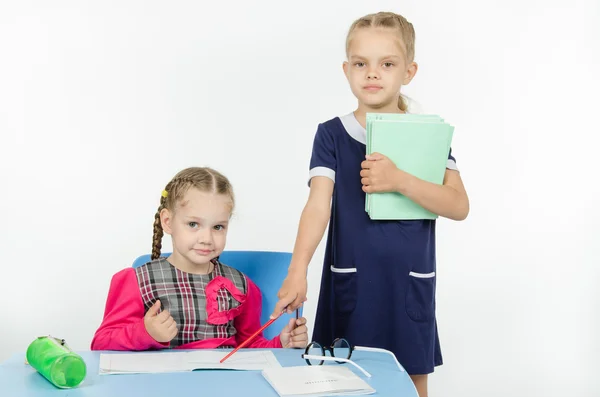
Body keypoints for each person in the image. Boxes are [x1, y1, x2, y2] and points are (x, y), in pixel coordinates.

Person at [271, 11, 469, 397]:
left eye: (387, 64)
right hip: (352, 285)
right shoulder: (331, 134)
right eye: (361, 64)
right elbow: (317, 205)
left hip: (409, 287)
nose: (372, 74)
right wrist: (298, 270)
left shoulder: (428, 135)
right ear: (346, 70)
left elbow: (458, 204)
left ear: (409, 71)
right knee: (341, 381)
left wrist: (400, 180)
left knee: (410, 382)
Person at [91, 166, 308, 351]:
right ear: (167, 221)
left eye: (218, 227)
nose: (206, 238)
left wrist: (280, 343)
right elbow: (101, 344)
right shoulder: (136, 281)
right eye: (193, 224)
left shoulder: (242, 286)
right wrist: (145, 332)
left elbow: (249, 347)